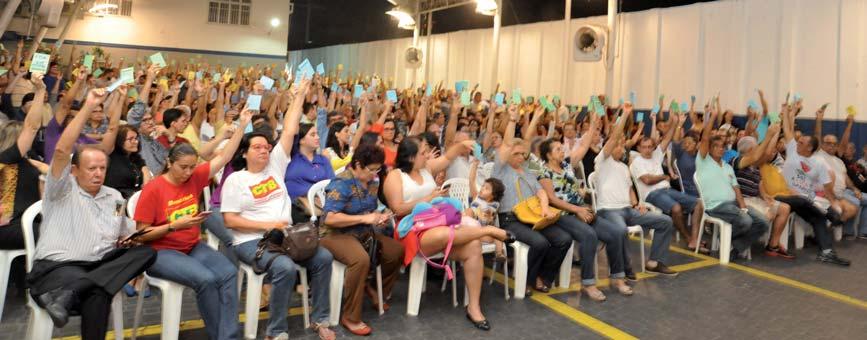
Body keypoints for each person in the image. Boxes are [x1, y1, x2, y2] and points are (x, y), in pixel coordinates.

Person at [27, 87, 157, 340]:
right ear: (74, 171)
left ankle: (71, 293)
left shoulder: (115, 198)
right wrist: (88, 106)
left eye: (102, 168)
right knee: (99, 293)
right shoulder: (62, 190)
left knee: (147, 253)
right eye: (91, 168)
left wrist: (162, 227)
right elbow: (63, 151)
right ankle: (74, 290)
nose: (98, 173)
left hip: (97, 265)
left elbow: (126, 231)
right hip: (58, 268)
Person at [222, 79, 335, 340]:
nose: (265, 150)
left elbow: (289, 131)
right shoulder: (236, 180)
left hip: (285, 236)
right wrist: (268, 226)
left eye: (266, 147)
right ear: (245, 153)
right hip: (252, 240)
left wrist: (299, 96)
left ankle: (320, 320)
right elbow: (229, 220)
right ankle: (276, 330)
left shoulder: (275, 166)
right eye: (257, 147)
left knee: (323, 259)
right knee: (284, 267)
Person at [132, 110, 251, 340]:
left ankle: (229, 336)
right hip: (160, 251)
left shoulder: (195, 175)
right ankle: (219, 335)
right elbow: (141, 235)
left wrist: (242, 126)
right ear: (169, 162)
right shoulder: (154, 189)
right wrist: (173, 226)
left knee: (227, 272)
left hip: (191, 246)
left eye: (191, 167)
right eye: (183, 167)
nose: (188, 172)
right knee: (206, 279)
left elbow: (225, 156)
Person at [384, 134, 513, 331]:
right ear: (410, 157)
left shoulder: (426, 168)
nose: (428, 156)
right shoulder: (395, 176)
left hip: (438, 223)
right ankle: (487, 230)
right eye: (423, 153)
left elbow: (447, 157)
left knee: (473, 247)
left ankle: (474, 307)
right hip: (411, 229)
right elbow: (398, 209)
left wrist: (462, 144)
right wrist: (429, 198)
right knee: (445, 234)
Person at [537, 114, 632, 300]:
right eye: (557, 149)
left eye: (561, 147)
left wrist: (594, 125)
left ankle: (618, 278)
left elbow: (583, 145)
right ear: (548, 155)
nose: (562, 150)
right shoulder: (543, 171)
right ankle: (588, 284)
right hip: (562, 214)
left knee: (615, 233)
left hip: (580, 209)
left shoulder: (566, 165)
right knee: (589, 236)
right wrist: (577, 210)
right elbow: (552, 199)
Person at [321, 144, 404, 336]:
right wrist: (364, 218)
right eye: (372, 169)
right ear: (357, 164)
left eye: (378, 169)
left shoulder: (372, 182)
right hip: (335, 234)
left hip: (363, 232)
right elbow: (330, 218)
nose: (375, 174)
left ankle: (373, 288)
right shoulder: (340, 183)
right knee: (360, 259)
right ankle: (350, 317)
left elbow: (367, 210)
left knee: (395, 251)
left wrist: (378, 216)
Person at [491, 105, 571, 294]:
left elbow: (541, 192)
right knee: (540, 243)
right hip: (510, 219)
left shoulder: (526, 171)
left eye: (523, 154)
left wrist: (545, 207)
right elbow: (508, 144)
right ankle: (527, 279)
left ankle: (543, 276)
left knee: (564, 239)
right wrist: (512, 121)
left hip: (533, 216)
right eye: (516, 153)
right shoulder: (500, 170)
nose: (520, 157)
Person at [594, 104, 678, 276]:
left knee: (665, 221)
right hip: (608, 211)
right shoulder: (602, 161)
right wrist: (625, 115)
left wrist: (636, 204)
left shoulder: (624, 168)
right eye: (619, 145)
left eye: (623, 145)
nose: (623, 147)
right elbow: (613, 137)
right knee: (620, 230)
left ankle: (654, 262)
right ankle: (625, 267)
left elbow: (631, 190)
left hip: (628, 210)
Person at [774, 103, 850, 266]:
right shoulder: (793, 150)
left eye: (801, 142)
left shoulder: (819, 163)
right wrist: (788, 113)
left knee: (819, 218)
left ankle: (826, 252)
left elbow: (827, 187)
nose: (797, 142)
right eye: (798, 141)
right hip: (785, 194)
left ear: (809, 148)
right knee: (806, 201)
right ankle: (828, 215)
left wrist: (833, 202)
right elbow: (787, 129)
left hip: (804, 200)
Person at [694, 102, 769, 262]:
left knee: (762, 222)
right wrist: (713, 117)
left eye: (723, 147)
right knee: (745, 221)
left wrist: (743, 207)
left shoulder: (727, 167)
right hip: (715, 205)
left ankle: (735, 245)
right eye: (717, 146)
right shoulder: (703, 161)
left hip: (733, 204)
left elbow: (736, 188)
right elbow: (705, 138)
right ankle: (727, 239)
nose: (721, 149)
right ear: (710, 148)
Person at [630, 113, 703, 247]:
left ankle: (695, 238)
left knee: (698, 204)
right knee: (676, 208)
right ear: (639, 148)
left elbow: (668, 138)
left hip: (667, 190)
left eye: (650, 147)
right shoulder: (636, 162)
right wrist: (664, 177)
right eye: (644, 147)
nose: (647, 150)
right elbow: (647, 180)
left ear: (653, 147)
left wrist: (675, 122)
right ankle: (687, 237)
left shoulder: (656, 154)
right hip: (652, 194)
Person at [283, 121, 335, 222]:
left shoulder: (323, 160)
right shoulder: (289, 159)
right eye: (313, 135)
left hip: (322, 204)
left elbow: (332, 182)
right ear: (301, 140)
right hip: (297, 206)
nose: (318, 137)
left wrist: (321, 196)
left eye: (317, 134)